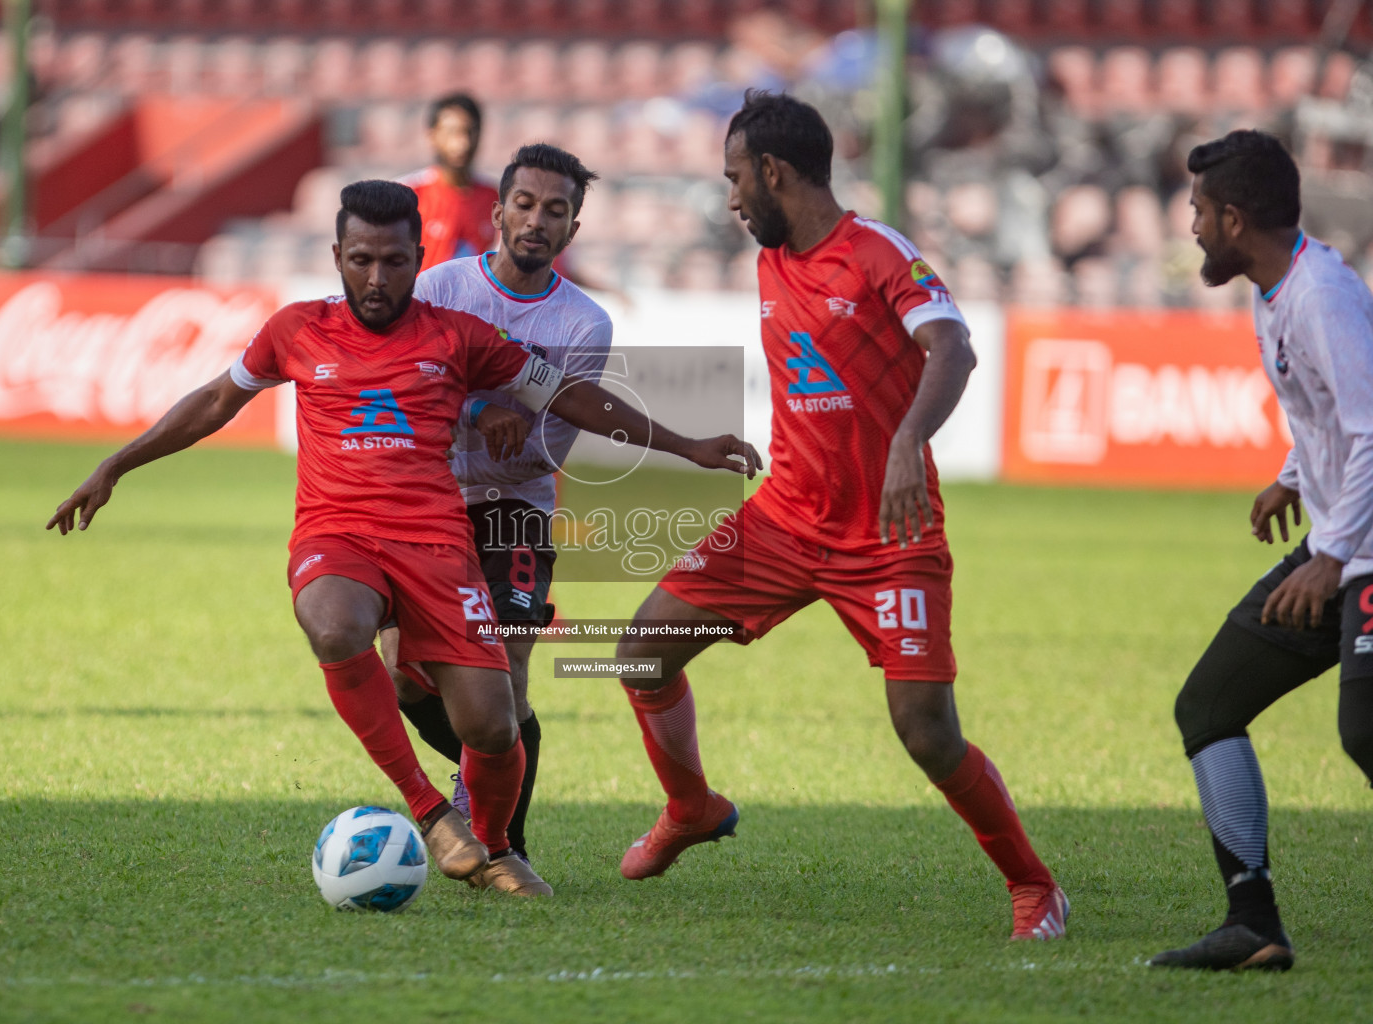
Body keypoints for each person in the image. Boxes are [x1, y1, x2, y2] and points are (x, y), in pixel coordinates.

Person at [47, 179, 759, 899]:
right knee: (333, 623)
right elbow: (213, 401)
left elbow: (571, 396)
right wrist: (116, 465)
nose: (377, 278)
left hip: (437, 544)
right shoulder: (295, 329)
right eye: (360, 260)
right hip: (339, 532)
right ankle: (428, 810)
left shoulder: (461, 336)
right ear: (335, 255)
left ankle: (497, 845)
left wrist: (684, 444)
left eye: (393, 261)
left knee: (493, 725)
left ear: (420, 257)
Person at [609, 91, 1068, 941]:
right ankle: (691, 807)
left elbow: (955, 347)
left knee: (925, 732)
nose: (732, 197)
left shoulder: (875, 254)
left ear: (775, 171)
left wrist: (906, 445)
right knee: (640, 654)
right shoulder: (770, 256)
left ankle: (1036, 886)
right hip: (785, 519)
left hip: (890, 539)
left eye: (736, 178)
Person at [1149, 130, 1373, 972]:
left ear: (1235, 218)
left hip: (1359, 551)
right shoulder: (1277, 290)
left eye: (1201, 211)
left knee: (1369, 733)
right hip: (1338, 543)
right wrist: (1290, 475)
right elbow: (1332, 410)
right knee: (1208, 708)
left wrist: (1334, 553)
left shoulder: (1320, 295)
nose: (1194, 228)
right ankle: (1254, 925)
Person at [381, 143, 611, 865]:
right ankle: (481, 770)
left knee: (508, 674)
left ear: (572, 229)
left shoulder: (585, 325)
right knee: (399, 676)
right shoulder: (443, 290)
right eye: (525, 203)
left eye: (555, 210)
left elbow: (552, 444)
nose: (537, 220)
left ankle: (504, 842)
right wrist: (480, 408)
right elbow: (404, 390)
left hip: (516, 505)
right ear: (497, 210)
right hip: (429, 501)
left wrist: (504, 413)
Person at [400, 93, 500, 269]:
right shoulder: (408, 194)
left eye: (470, 132)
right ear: (432, 136)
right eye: (452, 132)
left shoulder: (495, 198)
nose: (463, 143)